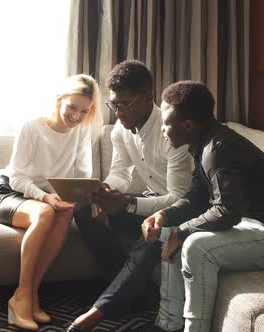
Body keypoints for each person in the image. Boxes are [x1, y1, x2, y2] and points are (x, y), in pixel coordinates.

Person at [141, 81, 264, 332]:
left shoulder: (219, 150)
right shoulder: (203, 144)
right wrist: (164, 214)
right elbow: (196, 199)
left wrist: (183, 231)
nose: (163, 130)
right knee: (169, 232)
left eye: (166, 123)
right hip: (254, 227)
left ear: (187, 125)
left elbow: (227, 211)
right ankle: (168, 325)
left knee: (195, 246)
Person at [64, 60, 194, 332]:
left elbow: (178, 199)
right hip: (151, 200)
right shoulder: (121, 130)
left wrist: (128, 204)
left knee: (153, 233)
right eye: (114, 105)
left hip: (183, 210)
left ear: (147, 98)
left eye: (125, 104)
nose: (118, 112)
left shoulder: (172, 133)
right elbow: (121, 172)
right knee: (83, 209)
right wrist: (104, 192)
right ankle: (138, 294)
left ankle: (100, 310)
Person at [0, 74, 103, 331]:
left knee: (64, 213)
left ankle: (27, 295)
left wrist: (86, 196)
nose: (76, 116)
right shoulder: (32, 126)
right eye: (72, 107)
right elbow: (17, 175)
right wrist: (43, 197)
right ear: (59, 100)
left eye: (84, 111)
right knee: (45, 214)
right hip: (11, 193)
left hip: (49, 198)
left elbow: (82, 176)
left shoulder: (81, 132)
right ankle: (23, 298)